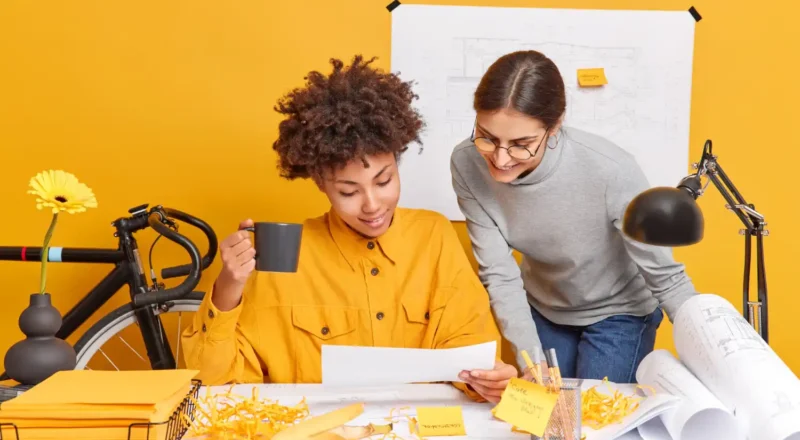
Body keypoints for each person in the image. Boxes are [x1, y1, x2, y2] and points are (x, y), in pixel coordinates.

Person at [182, 55, 516, 402]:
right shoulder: (282, 256)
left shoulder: (434, 236)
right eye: (348, 192)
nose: (372, 205)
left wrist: (486, 379)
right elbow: (217, 386)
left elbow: (469, 347)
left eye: (384, 181)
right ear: (320, 184)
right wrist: (229, 286)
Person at [449, 50, 698, 383]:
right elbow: (499, 274)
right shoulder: (466, 163)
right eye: (487, 137)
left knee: (597, 413)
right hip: (545, 308)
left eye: (522, 143)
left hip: (620, 311)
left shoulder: (611, 169)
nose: (501, 159)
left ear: (555, 125)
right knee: (550, 410)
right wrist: (530, 362)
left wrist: (711, 348)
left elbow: (666, 276)